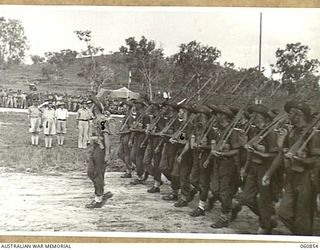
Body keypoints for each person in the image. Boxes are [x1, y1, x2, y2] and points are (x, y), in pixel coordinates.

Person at [262, 101, 320, 235]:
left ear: (300, 116)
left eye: (292, 114)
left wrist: (299, 159)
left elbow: (317, 160)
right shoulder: (292, 132)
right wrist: (268, 174)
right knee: (283, 212)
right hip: (292, 177)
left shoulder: (313, 134)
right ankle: (302, 236)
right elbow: (281, 155)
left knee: (303, 215)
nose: (289, 116)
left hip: (307, 178)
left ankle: (304, 239)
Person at [85, 96, 112, 209]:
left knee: (97, 173)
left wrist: (107, 154)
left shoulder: (102, 120)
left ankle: (98, 199)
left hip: (100, 150)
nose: (89, 108)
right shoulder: (95, 119)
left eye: (91, 105)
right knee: (91, 172)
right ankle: (101, 189)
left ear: (96, 107)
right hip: (94, 148)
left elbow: (106, 137)